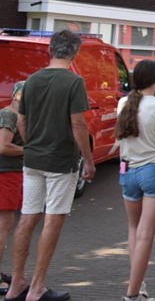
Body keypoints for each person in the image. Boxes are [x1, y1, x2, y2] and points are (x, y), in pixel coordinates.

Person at [7, 29, 93, 301]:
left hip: (32, 160)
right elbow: (78, 123)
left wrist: (34, 142)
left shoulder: (30, 81)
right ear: (75, 52)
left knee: (27, 217)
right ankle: (37, 287)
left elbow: (20, 120)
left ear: (49, 50)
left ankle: (16, 284)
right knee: (52, 220)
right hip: (60, 161)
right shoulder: (73, 82)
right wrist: (88, 160)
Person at [116, 60, 155, 301]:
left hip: (127, 172)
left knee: (134, 229)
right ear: (154, 79)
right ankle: (131, 294)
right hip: (154, 171)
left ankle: (138, 287)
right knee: (146, 234)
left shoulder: (123, 103)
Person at [0, 81, 25, 295]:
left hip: (11, 173)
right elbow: (4, 146)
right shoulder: (9, 115)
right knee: (4, 224)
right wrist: (30, 151)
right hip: (6, 173)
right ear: (16, 95)